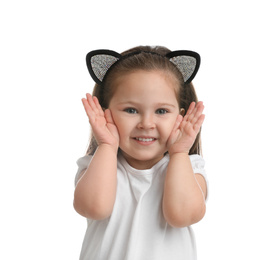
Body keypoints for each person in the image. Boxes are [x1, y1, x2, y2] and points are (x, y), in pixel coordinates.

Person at [74, 46, 208, 260]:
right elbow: (94, 208)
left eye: (161, 111)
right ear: (104, 111)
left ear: (180, 117)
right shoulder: (96, 165)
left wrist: (180, 152)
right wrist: (107, 145)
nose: (147, 124)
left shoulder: (190, 168)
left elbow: (181, 215)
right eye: (131, 110)